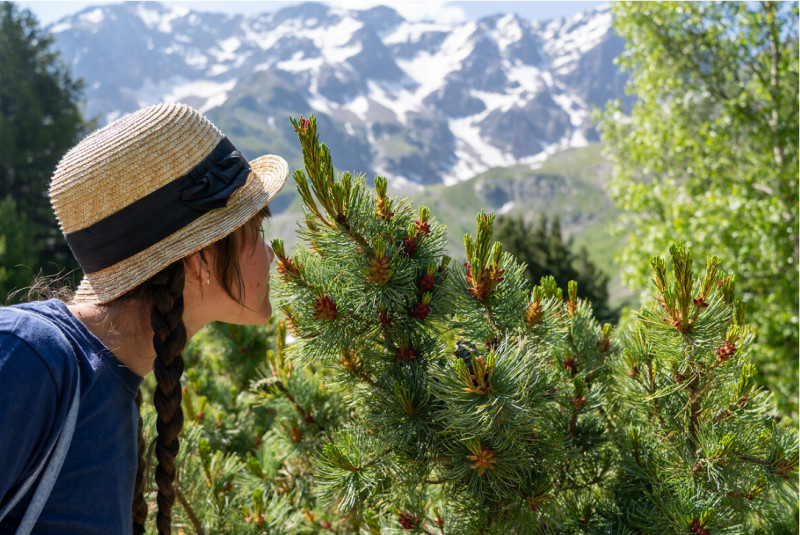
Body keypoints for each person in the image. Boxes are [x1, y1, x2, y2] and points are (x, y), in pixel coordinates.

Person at [0, 102, 289, 535]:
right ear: (200, 258)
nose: (271, 255)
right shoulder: (27, 356)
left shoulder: (108, 390)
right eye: (256, 230)